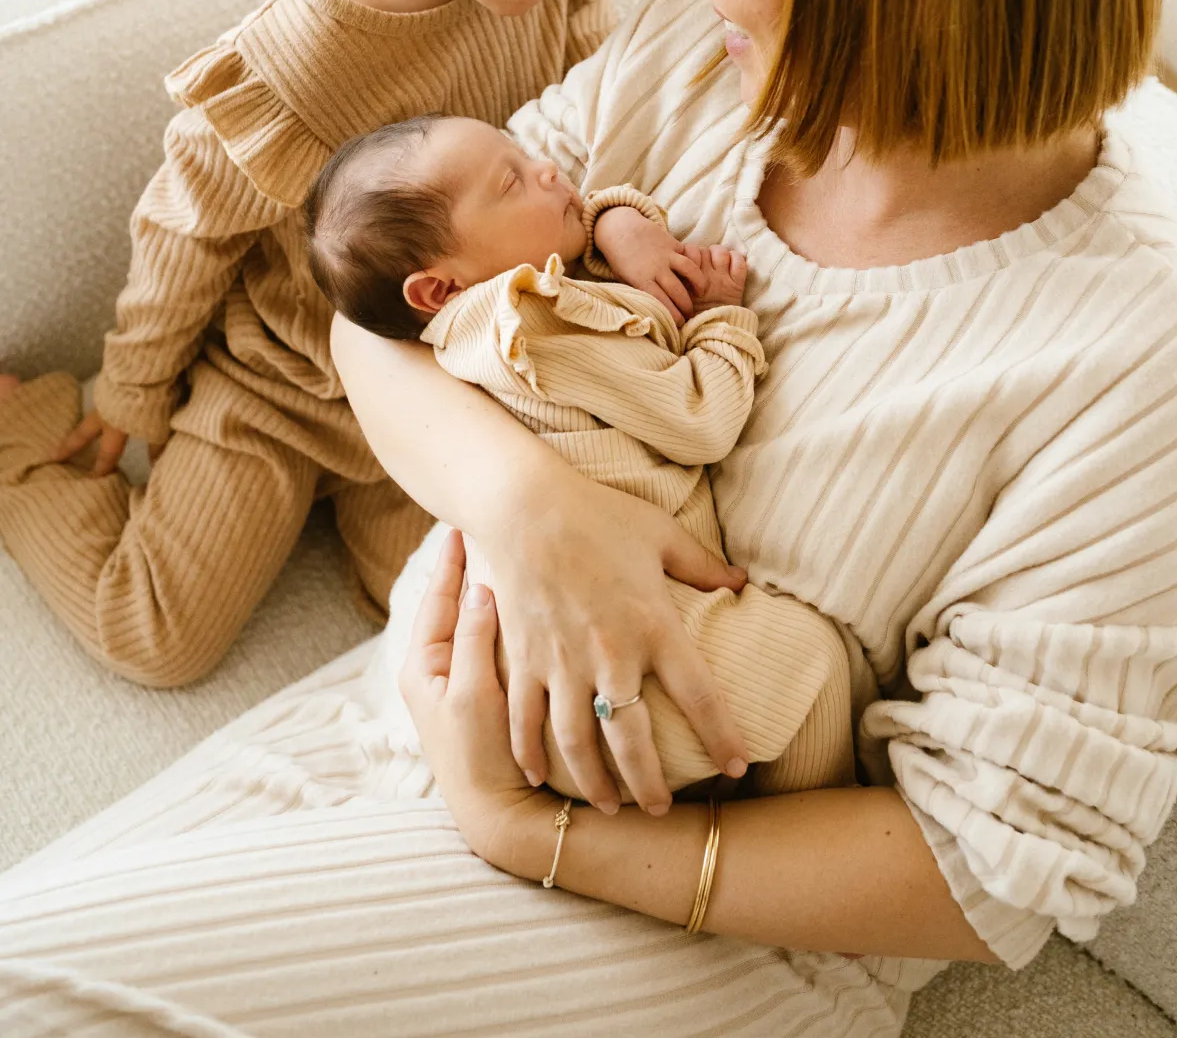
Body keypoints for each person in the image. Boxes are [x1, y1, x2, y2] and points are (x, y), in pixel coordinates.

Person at [0, 0, 1177, 1038]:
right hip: (417, 710)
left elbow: (986, 865)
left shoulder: (1129, 373)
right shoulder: (684, 68)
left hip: (704, 931)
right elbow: (384, 315)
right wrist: (534, 512)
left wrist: (532, 832)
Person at [0, 0, 685, 688]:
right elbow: (184, 231)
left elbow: (592, 118)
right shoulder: (309, 48)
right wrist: (129, 391)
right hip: (282, 386)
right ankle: (17, 445)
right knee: (155, 636)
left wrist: (617, 218)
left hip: (443, 377)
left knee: (456, 623)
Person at [304, 111, 860, 794]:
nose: (548, 170)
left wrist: (614, 223)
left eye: (523, 155)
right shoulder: (534, 324)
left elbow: (573, 248)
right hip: (604, 652)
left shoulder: (466, 328)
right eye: (511, 182)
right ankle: (803, 815)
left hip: (518, 665)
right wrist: (720, 316)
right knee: (818, 670)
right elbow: (700, 420)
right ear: (439, 288)